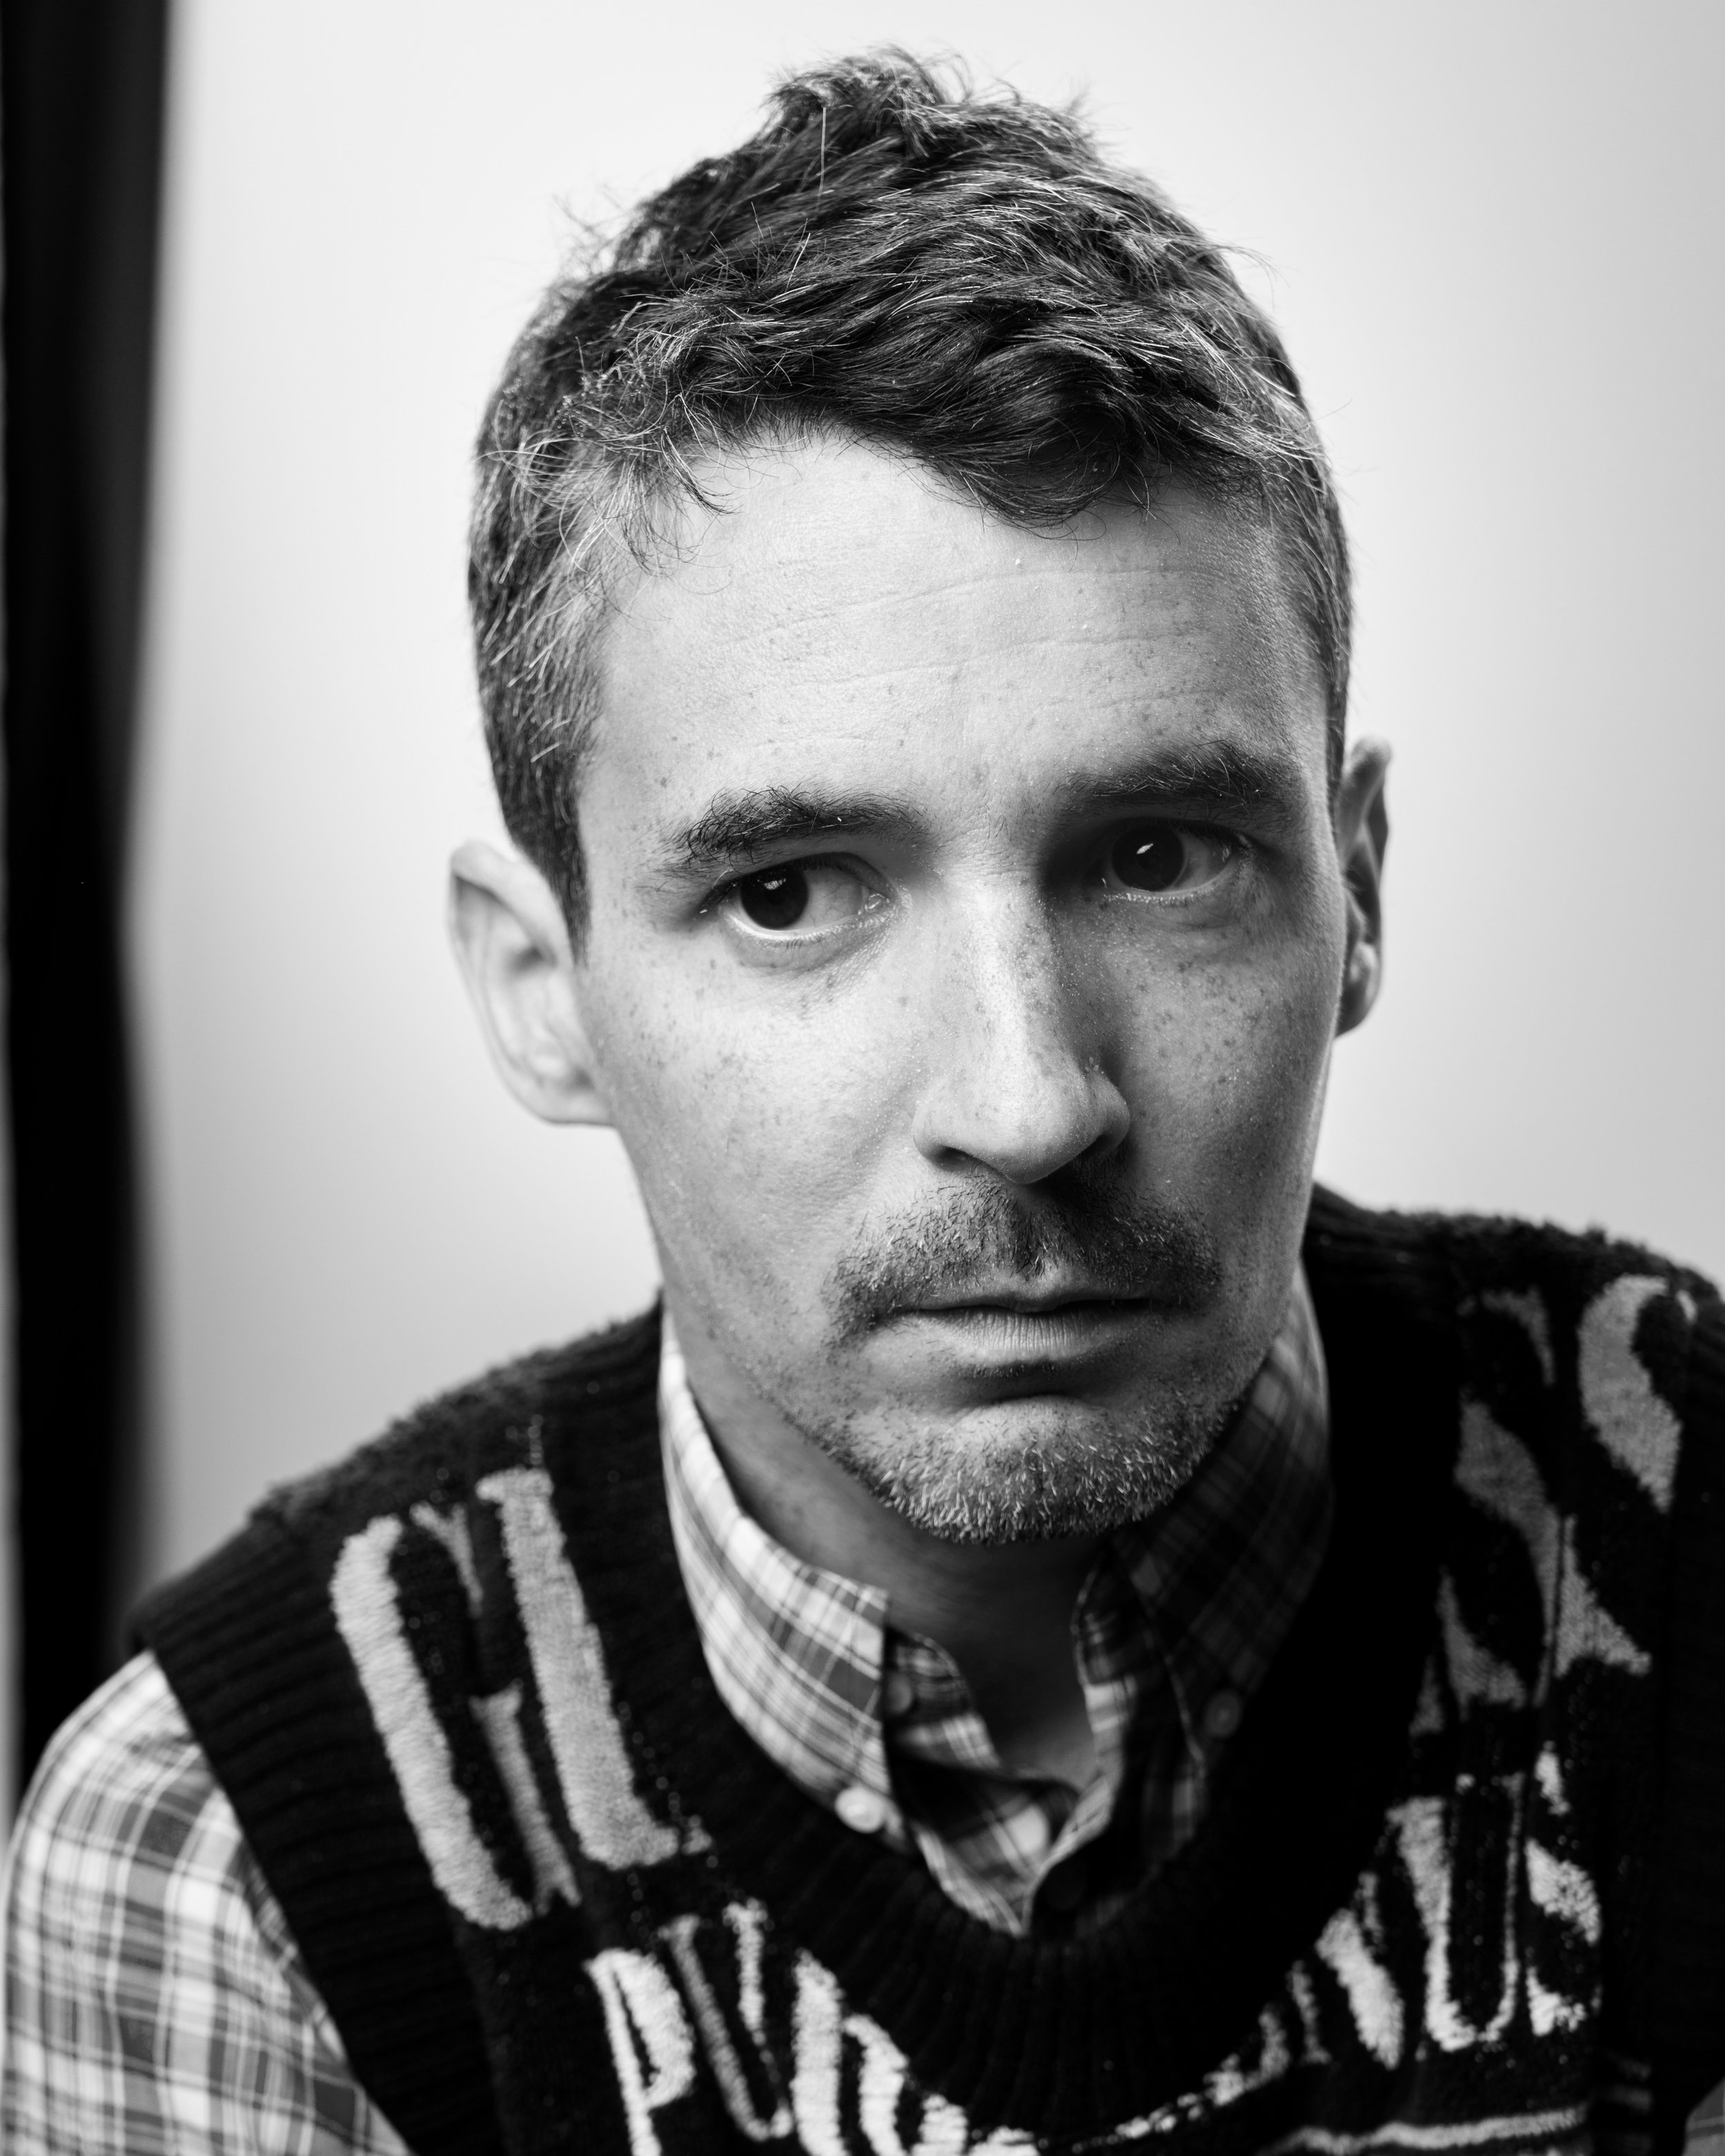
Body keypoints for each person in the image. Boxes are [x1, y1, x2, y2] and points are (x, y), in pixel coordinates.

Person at [3, 48, 1721, 2156]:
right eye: (791, 895)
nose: (1027, 1100)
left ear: (1353, 891)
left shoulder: (1682, 1537)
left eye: (1159, 854)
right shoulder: (233, 1852)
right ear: (542, 991)